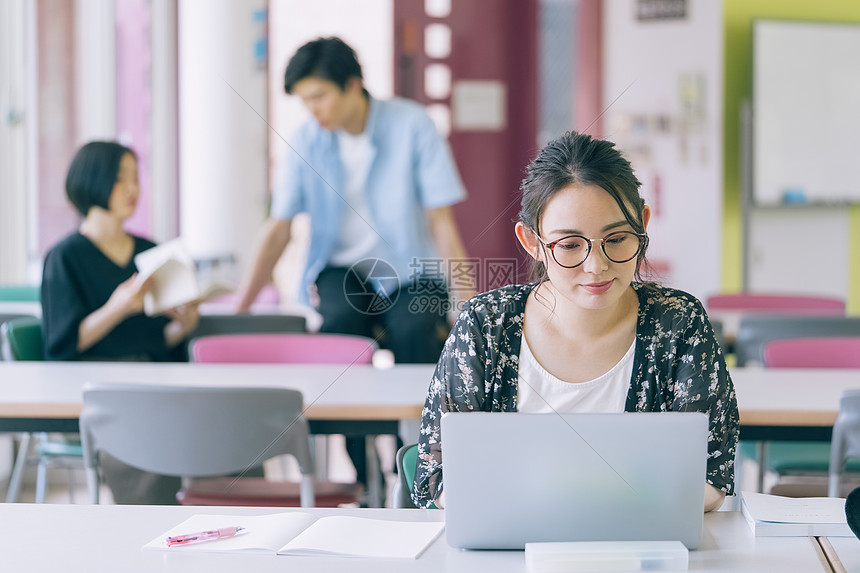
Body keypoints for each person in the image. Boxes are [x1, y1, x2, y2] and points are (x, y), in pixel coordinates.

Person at [412, 131, 739, 512]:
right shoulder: (484, 326)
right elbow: (438, 479)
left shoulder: (678, 324)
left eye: (616, 239)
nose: (596, 266)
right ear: (532, 242)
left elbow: (711, 474)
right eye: (569, 245)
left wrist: (568, 506)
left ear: (643, 224)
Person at [234, 37, 472, 493]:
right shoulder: (305, 140)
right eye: (305, 101)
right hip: (342, 269)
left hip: (411, 270)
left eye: (319, 97)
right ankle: (365, 478)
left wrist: (465, 301)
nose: (313, 110)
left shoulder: (412, 125)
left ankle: (422, 465)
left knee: (415, 329)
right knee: (340, 327)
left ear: (353, 86)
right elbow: (280, 228)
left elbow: (442, 221)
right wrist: (241, 307)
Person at [41, 140, 200, 503]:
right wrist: (119, 306)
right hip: (100, 389)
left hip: (156, 380)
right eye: (120, 179)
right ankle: (157, 540)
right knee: (152, 439)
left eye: (135, 178)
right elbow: (62, 345)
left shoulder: (150, 252)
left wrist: (184, 325)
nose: (133, 189)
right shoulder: (65, 257)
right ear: (92, 181)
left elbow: (157, 339)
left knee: (227, 428)